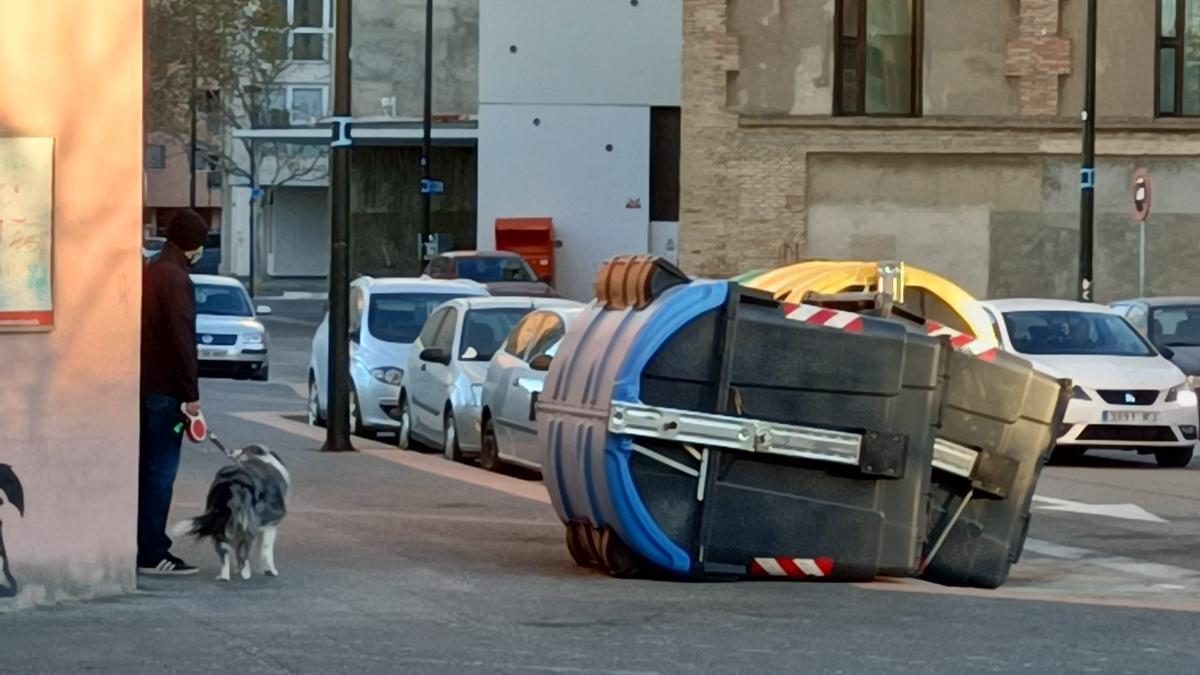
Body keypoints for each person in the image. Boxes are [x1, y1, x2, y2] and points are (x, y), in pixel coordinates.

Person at [137, 210, 208, 576]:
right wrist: (191, 394)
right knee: (161, 473)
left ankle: (142, 544)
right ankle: (152, 552)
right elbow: (182, 339)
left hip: (145, 386)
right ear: (193, 245)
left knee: (145, 470)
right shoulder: (177, 279)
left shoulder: (152, 271)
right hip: (168, 393)